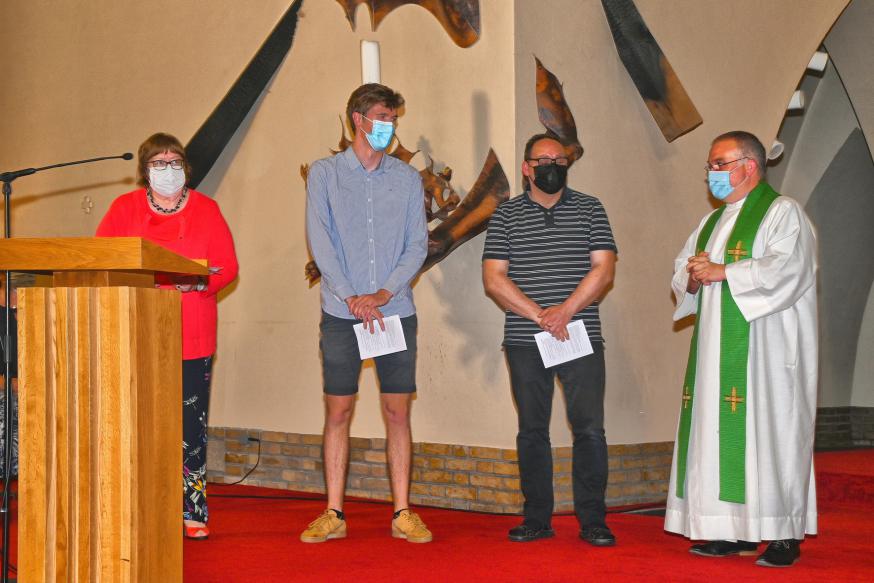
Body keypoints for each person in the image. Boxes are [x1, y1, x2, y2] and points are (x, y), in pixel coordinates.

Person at [664, 131, 818, 568]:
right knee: (716, 433)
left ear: (748, 166)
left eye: (719, 163)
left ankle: (784, 533)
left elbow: (787, 268)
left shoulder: (782, 213)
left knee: (772, 435)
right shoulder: (711, 223)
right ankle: (731, 531)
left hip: (767, 356)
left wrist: (723, 271)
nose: (711, 173)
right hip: (718, 356)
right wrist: (692, 278)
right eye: (710, 165)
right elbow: (685, 270)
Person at [302, 83, 430, 543]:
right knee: (339, 411)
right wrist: (354, 296)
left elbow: (418, 244)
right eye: (382, 117)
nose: (389, 126)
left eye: (394, 118)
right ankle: (334, 511)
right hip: (341, 313)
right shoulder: (325, 174)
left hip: (394, 309)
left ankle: (402, 512)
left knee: (397, 412)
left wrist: (382, 292)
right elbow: (321, 241)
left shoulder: (406, 178)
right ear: (358, 119)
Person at [97, 133, 238, 540]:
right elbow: (103, 260)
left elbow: (226, 266)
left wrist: (197, 285)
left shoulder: (207, 209)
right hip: (135, 333)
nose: (167, 168)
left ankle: (192, 511)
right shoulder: (123, 209)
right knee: (134, 423)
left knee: (189, 429)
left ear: (185, 167)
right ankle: (133, 506)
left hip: (191, 334)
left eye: (174, 160)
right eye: (157, 162)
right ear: (144, 171)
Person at [482, 133, 617, 546]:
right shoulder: (505, 216)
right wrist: (541, 315)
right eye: (543, 160)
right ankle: (537, 518)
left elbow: (603, 269)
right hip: (526, 340)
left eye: (559, 159)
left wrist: (566, 311)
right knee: (532, 431)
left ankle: (594, 520)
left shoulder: (591, 208)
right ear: (527, 168)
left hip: (581, 336)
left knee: (590, 430)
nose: (552, 166)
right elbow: (494, 278)